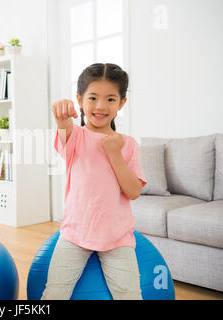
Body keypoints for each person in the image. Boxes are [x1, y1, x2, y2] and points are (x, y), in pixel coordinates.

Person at [41, 63, 147, 300]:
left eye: (110, 99)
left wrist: (114, 154)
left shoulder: (128, 145)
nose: (100, 106)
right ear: (80, 100)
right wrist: (61, 117)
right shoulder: (76, 137)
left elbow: (133, 191)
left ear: (121, 103)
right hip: (75, 234)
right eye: (93, 98)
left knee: (130, 295)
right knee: (54, 293)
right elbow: (65, 127)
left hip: (117, 237)